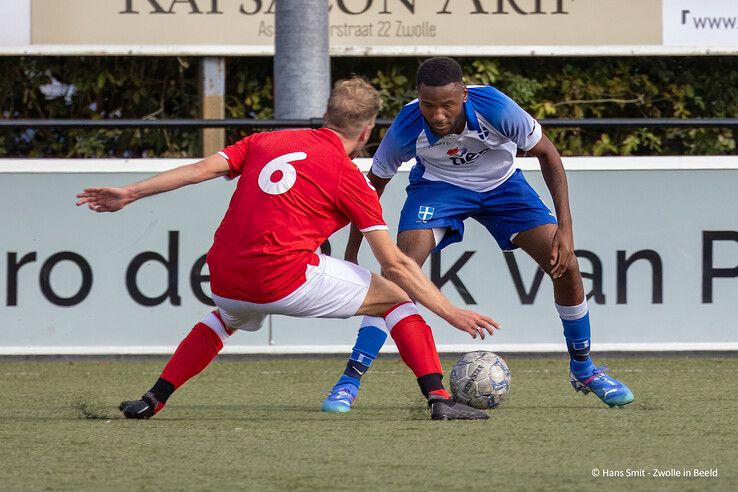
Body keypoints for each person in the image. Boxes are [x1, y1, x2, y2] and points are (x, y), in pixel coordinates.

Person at [76, 77, 499, 421]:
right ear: (367, 131)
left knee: (224, 318)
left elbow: (199, 170)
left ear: (325, 116)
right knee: (398, 299)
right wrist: (452, 312)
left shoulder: (264, 141)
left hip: (222, 276)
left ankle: (153, 399)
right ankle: (439, 398)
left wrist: (129, 193)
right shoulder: (348, 176)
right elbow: (397, 265)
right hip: (281, 278)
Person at [321, 58, 634, 413]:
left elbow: (548, 153)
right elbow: (370, 188)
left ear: (464, 95)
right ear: (418, 99)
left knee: (566, 266)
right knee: (400, 275)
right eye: (428, 105)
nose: (437, 115)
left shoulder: (496, 108)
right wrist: (350, 254)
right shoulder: (407, 126)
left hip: (503, 186)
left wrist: (566, 229)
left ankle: (584, 369)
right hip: (438, 190)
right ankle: (350, 379)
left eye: (447, 105)